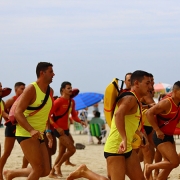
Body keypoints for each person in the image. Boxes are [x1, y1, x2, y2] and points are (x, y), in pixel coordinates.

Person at [67, 70, 151, 180]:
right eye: (147, 83)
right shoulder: (130, 98)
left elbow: (129, 121)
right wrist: (124, 139)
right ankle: (85, 172)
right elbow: (118, 115)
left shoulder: (135, 99)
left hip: (127, 147)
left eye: (151, 83)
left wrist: (139, 133)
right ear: (136, 83)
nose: (150, 86)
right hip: (116, 147)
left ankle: (85, 171)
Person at [3, 62, 54, 180]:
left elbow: (45, 114)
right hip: (26, 132)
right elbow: (18, 112)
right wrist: (31, 130)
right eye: (51, 71)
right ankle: (10, 173)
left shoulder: (49, 91)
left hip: (39, 134)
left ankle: (11, 173)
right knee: (38, 169)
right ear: (42, 73)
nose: (53, 74)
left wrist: (48, 131)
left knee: (46, 170)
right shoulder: (31, 89)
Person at [48, 81, 86, 178]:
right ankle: (58, 165)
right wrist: (56, 127)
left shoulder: (72, 101)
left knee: (61, 152)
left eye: (71, 88)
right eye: (68, 88)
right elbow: (48, 116)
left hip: (66, 129)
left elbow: (74, 115)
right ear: (62, 90)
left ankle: (52, 172)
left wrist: (80, 121)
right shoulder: (58, 101)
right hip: (58, 130)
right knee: (72, 149)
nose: (70, 90)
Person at [144, 81, 180, 180]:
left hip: (169, 135)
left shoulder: (178, 104)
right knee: (174, 162)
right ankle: (149, 167)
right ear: (175, 91)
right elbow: (149, 113)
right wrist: (157, 130)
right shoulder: (167, 102)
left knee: (170, 164)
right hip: (160, 136)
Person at [0, 82, 26, 179]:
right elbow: (2, 111)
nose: (24, 90)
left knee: (27, 153)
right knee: (7, 152)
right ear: (16, 90)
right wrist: (8, 117)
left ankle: (23, 170)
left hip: (21, 129)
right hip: (11, 128)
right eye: (22, 89)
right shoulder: (12, 100)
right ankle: (0, 173)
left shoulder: (25, 100)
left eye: (25, 88)